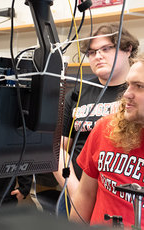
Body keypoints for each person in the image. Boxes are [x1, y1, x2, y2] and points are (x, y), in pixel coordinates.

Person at [53, 23, 139, 216]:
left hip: (123, 202)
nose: (98, 56)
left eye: (106, 49)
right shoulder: (77, 91)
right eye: (92, 52)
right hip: (76, 195)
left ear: (127, 49)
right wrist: (75, 189)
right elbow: (58, 148)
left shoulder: (136, 94)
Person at [70, 54, 144, 228]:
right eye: (128, 85)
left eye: (139, 86)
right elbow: (85, 194)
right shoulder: (106, 128)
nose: (127, 94)